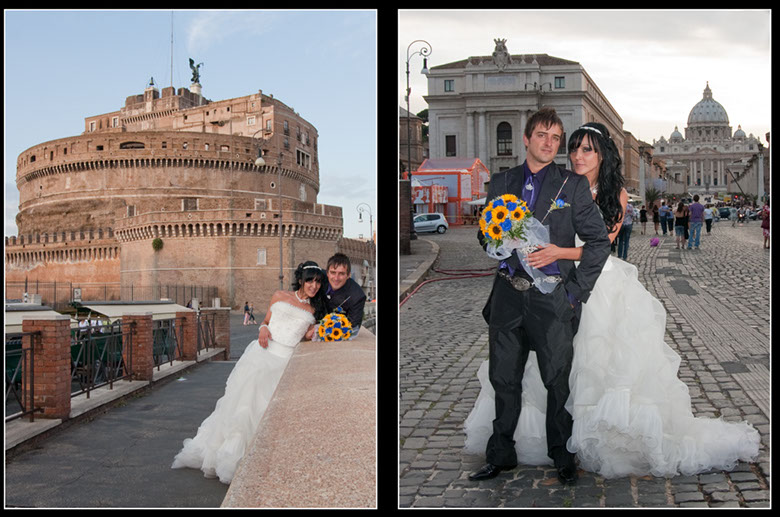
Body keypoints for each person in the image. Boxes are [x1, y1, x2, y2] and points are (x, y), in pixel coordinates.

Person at [464, 122, 760, 480]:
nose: (577, 155)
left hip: (595, 285)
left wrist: (558, 252)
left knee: (589, 368)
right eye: (573, 147)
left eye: (586, 149)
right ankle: (531, 444)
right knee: (536, 372)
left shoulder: (613, 193)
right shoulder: (557, 182)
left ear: (601, 155)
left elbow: (600, 244)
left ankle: (579, 445)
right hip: (543, 286)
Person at [467, 110, 611, 486]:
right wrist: (496, 242)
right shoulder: (501, 181)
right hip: (507, 297)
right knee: (504, 379)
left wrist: (575, 294)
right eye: (542, 135)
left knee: (556, 381)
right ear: (526, 139)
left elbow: (597, 243)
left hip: (551, 299)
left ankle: (562, 454)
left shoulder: (572, 186)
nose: (549, 143)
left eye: (556, 137)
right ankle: (500, 455)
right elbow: (484, 233)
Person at [172, 261, 328, 484]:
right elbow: (265, 322)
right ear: (301, 279)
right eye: (310, 280)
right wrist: (263, 328)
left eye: (318, 281)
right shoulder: (279, 295)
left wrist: (313, 333)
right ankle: (232, 458)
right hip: (261, 355)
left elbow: (306, 337)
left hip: (286, 362)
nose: (314, 285)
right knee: (243, 409)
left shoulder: (314, 310)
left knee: (269, 413)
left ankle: (266, 460)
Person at [324, 253, 367, 337]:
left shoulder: (357, 296)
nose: (336, 278)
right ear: (327, 273)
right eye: (333, 272)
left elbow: (353, 328)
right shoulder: (318, 281)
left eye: (341, 274)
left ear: (348, 275)